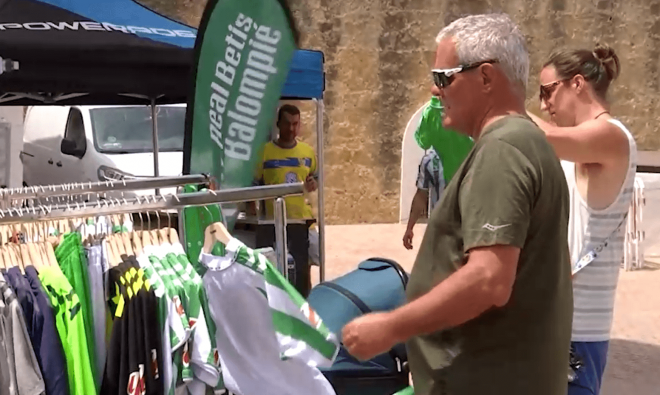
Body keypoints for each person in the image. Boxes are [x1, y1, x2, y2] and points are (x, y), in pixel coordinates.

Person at [342, 13, 573, 395]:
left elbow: (488, 279)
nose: (436, 91)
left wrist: (391, 328)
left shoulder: (502, 149)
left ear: (485, 78)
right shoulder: (527, 143)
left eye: (443, 77)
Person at [528, 44, 637, 395]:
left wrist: (498, 96)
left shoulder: (612, 137)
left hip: (579, 335)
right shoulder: (574, 149)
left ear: (577, 84)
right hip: (553, 325)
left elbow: (543, 135)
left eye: (547, 92)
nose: (544, 105)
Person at [253, 104, 320, 266]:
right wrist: (252, 212)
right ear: (278, 124)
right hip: (272, 223)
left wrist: (314, 183)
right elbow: (253, 185)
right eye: (287, 123)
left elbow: (315, 178)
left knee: (301, 273)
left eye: (295, 124)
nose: (291, 128)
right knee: (271, 272)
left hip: (300, 222)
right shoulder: (264, 152)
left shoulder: (308, 152)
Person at [402, 148, 444, 250]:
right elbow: (421, 195)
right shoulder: (431, 161)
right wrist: (410, 228)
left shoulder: (473, 152)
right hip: (441, 229)